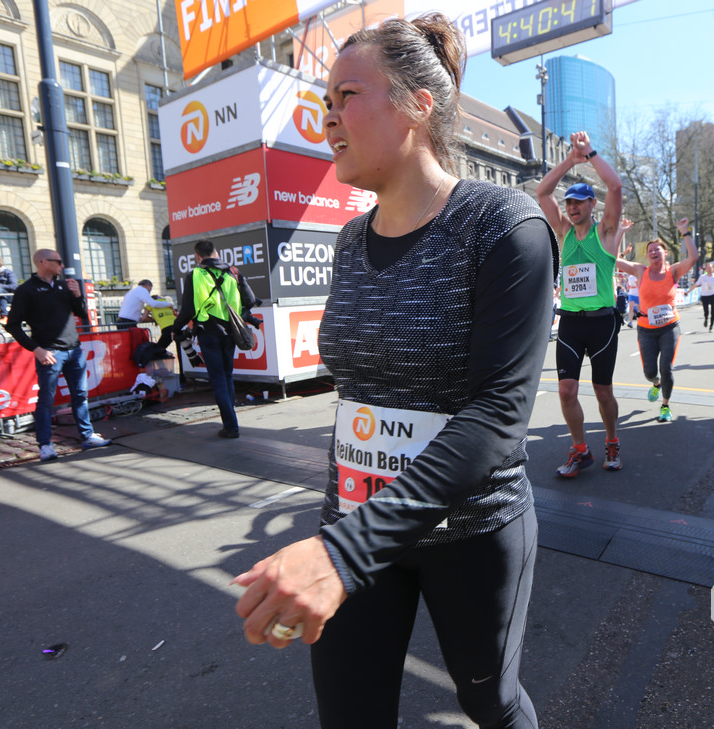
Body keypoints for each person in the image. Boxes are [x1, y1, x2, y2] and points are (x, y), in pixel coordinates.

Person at [231, 14, 555, 729]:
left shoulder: (504, 224)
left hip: (470, 532)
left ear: (417, 104)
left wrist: (341, 555)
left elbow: (498, 416)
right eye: (325, 103)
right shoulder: (350, 240)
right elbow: (362, 397)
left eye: (347, 96)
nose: (328, 119)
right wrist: (343, 537)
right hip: (356, 520)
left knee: (490, 701)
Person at [537, 130, 625, 477]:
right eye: (569, 203)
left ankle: (612, 440)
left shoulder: (606, 232)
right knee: (566, 391)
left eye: (578, 202)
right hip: (571, 322)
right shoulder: (563, 232)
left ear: (592, 205)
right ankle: (580, 449)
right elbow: (543, 192)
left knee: (603, 392)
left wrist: (589, 154)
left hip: (602, 323)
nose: (572, 208)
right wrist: (568, 161)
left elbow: (615, 186)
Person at [4, 249, 110, 461]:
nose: (62, 265)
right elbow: (12, 325)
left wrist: (78, 295)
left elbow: (81, 313)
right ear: (43, 262)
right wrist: (36, 349)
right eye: (58, 261)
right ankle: (45, 445)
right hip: (50, 351)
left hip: (74, 349)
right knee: (46, 399)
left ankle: (87, 435)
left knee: (80, 395)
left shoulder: (63, 285)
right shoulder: (26, 290)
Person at [169, 240, 255, 439]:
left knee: (218, 379)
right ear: (216, 254)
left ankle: (231, 426)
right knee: (227, 376)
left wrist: (176, 328)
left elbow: (188, 309)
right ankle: (231, 422)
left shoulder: (194, 275)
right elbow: (250, 300)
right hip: (231, 331)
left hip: (208, 331)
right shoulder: (234, 272)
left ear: (197, 257)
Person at [617, 219, 698, 422]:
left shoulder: (673, 271)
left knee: (666, 368)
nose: (653, 252)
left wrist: (684, 232)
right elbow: (613, 259)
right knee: (650, 372)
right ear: (647, 255)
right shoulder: (640, 271)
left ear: (665, 253)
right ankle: (656, 383)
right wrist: (620, 232)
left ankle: (665, 406)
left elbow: (694, 257)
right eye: (650, 250)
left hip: (670, 327)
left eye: (657, 249)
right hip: (646, 329)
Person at [689, 262, 714, 332]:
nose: (709, 269)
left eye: (710, 268)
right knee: (706, 311)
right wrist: (688, 291)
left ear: (713, 269)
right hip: (704, 295)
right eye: (708, 268)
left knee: (713, 311)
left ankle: (711, 326)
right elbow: (696, 284)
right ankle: (706, 319)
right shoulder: (702, 277)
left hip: (712, 295)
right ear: (706, 269)